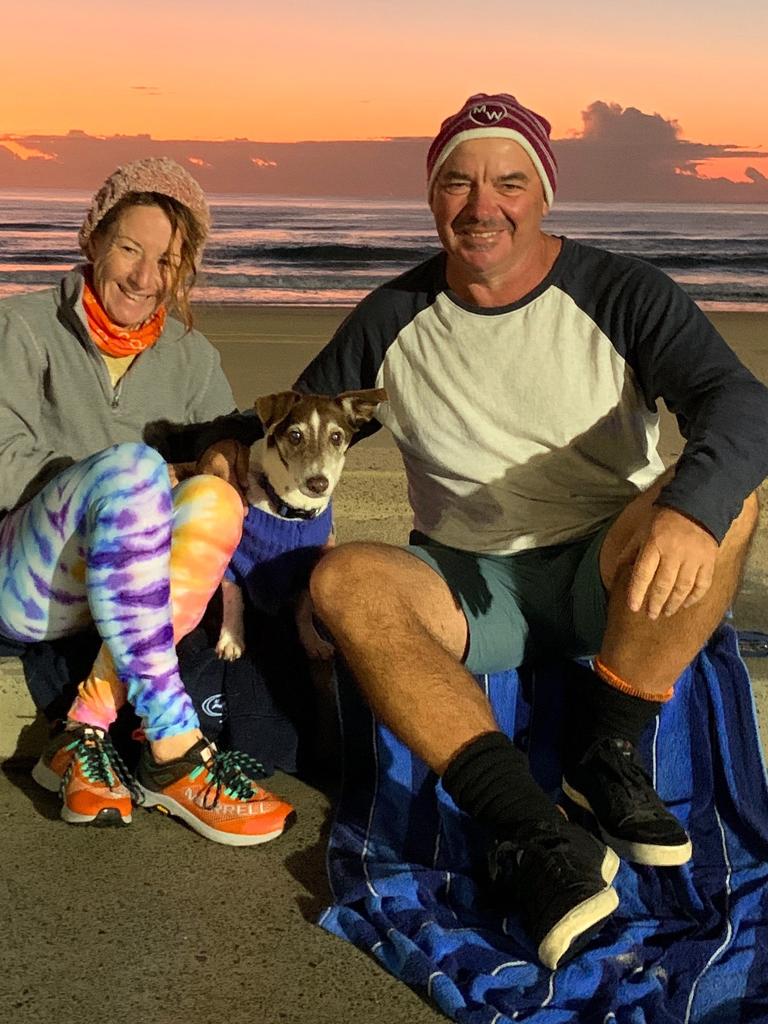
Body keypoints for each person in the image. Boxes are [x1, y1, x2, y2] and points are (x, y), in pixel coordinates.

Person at [271, 93, 766, 967]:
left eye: (508, 181)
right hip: (469, 582)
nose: (480, 205)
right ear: (432, 200)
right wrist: (284, 562)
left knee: (727, 498)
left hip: (612, 569)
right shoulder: (393, 318)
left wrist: (689, 512)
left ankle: (608, 744)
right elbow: (291, 433)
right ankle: (535, 836)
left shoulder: (620, 290)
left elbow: (740, 404)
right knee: (344, 580)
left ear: (543, 194)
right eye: (456, 183)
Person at [0, 157, 293, 846]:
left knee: (217, 501)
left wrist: (219, 459)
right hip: (25, 578)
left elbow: (225, 459)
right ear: (92, 238)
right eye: (130, 248)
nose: (143, 277)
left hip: (125, 602)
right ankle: (173, 751)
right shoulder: (22, 327)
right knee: (135, 470)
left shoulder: (189, 357)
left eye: (166, 261)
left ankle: (83, 731)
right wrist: (124, 486)